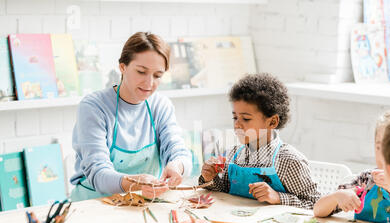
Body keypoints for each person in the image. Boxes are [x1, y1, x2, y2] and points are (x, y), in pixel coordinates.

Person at [70, 32, 192, 201]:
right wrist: (134, 183)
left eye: (157, 75)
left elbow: (180, 153)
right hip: (94, 205)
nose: (149, 83)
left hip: (142, 204)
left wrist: (177, 166)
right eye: (141, 72)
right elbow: (98, 173)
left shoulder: (160, 106)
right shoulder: (94, 107)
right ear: (123, 67)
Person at [198, 73, 321, 209]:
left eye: (245, 119)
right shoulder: (233, 154)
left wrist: (278, 197)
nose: (237, 125)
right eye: (235, 118)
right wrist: (210, 178)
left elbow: (315, 205)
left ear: (272, 122)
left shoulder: (289, 161)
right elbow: (223, 192)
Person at [313, 110, 390, 223]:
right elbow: (318, 211)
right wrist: (337, 196)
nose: (384, 155)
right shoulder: (367, 180)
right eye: (378, 147)